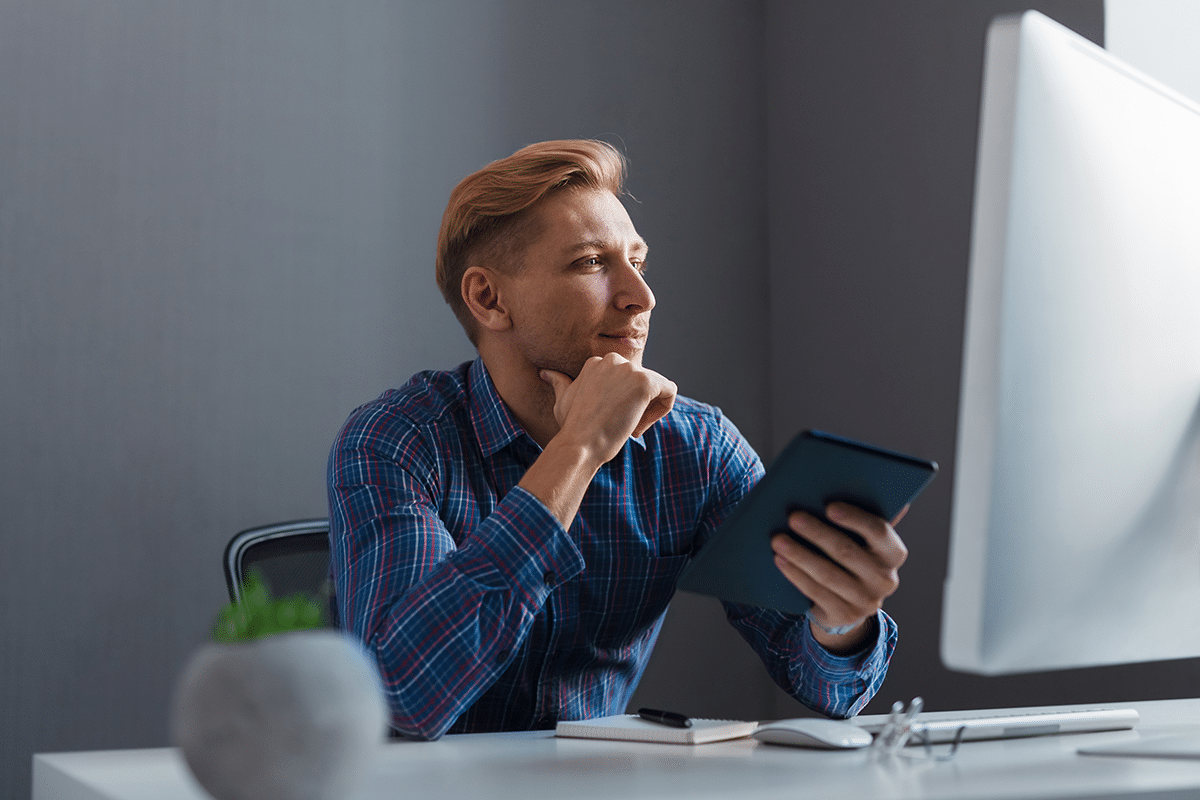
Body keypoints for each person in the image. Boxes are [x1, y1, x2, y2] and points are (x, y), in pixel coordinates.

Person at [327, 139, 908, 740]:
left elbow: (828, 687)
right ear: (488, 299)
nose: (641, 297)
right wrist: (577, 450)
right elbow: (401, 700)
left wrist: (840, 620)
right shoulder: (396, 442)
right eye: (591, 263)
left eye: (638, 261)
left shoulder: (697, 448)